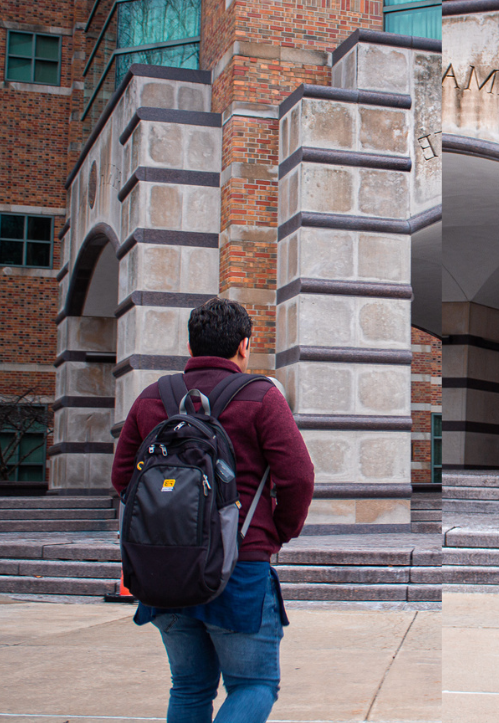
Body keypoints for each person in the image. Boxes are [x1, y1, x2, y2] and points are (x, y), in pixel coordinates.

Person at [112, 298, 315, 723]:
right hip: (239, 564)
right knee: (254, 685)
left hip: (162, 567)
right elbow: (298, 476)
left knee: (188, 688)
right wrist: (276, 532)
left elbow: (122, 479)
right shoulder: (260, 396)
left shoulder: (153, 397)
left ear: (191, 346)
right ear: (244, 345)